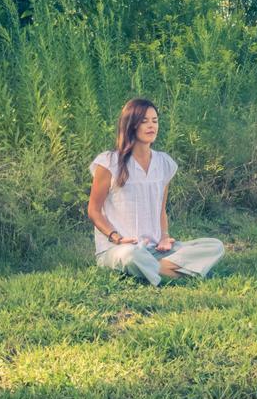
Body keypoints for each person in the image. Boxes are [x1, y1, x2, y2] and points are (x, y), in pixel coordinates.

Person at [87, 98, 225, 286]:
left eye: (155, 121)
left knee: (215, 246)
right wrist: (117, 238)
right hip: (118, 249)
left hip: (154, 249)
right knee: (131, 255)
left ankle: (152, 269)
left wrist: (164, 237)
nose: (151, 126)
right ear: (131, 125)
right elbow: (93, 210)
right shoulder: (109, 162)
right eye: (144, 121)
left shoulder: (164, 163)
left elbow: (160, 209)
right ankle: (176, 272)